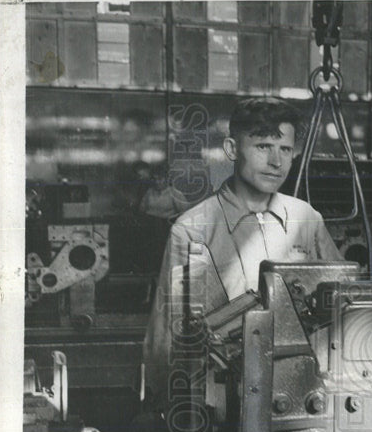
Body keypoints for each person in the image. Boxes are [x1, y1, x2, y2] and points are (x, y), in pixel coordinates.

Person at [142, 98, 344, 405]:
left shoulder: (307, 220)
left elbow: (343, 304)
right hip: (227, 400)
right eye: (263, 146)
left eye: (285, 149)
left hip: (304, 391)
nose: (277, 162)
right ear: (232, 150)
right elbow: (166, 338)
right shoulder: (193, 230)